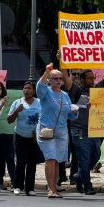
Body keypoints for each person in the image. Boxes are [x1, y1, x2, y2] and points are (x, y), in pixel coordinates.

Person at [64, 68, 104, 195]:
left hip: (94, 129)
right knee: (84, 158)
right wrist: (62, 61)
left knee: (96, 155)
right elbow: (66, 77)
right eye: (89, 78)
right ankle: (87, 186)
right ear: (82, 79)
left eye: (93, 78)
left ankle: (78, 176)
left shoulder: (97, 89)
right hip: (79, 129)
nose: (93, 80)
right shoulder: (75, 90)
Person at [36, 64, 78, 198]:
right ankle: (51, 189)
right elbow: (39, 88)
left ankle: (54, 187)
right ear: (49, 80)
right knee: (51, 158)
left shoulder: (65, 95)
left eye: (60, 78)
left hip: (61, 132)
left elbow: (69, 115)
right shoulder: (46, 92)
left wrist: (75, 111)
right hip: (46, 130)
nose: (58, 80)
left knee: (58, 160)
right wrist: (46, 72)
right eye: (55, 78)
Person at [7, 81, 42, 196]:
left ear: (34, 91)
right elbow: (9, 120)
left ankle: (29, 188)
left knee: (32, 162)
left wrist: (37, 132)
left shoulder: (39, 103)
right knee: (21, 162)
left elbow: (43, 118)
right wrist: (17, 111)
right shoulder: (18, 102)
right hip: (20, 135)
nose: (26, 90)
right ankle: (17, 186)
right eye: (25, 88)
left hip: (34, 137)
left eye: (29, 88)